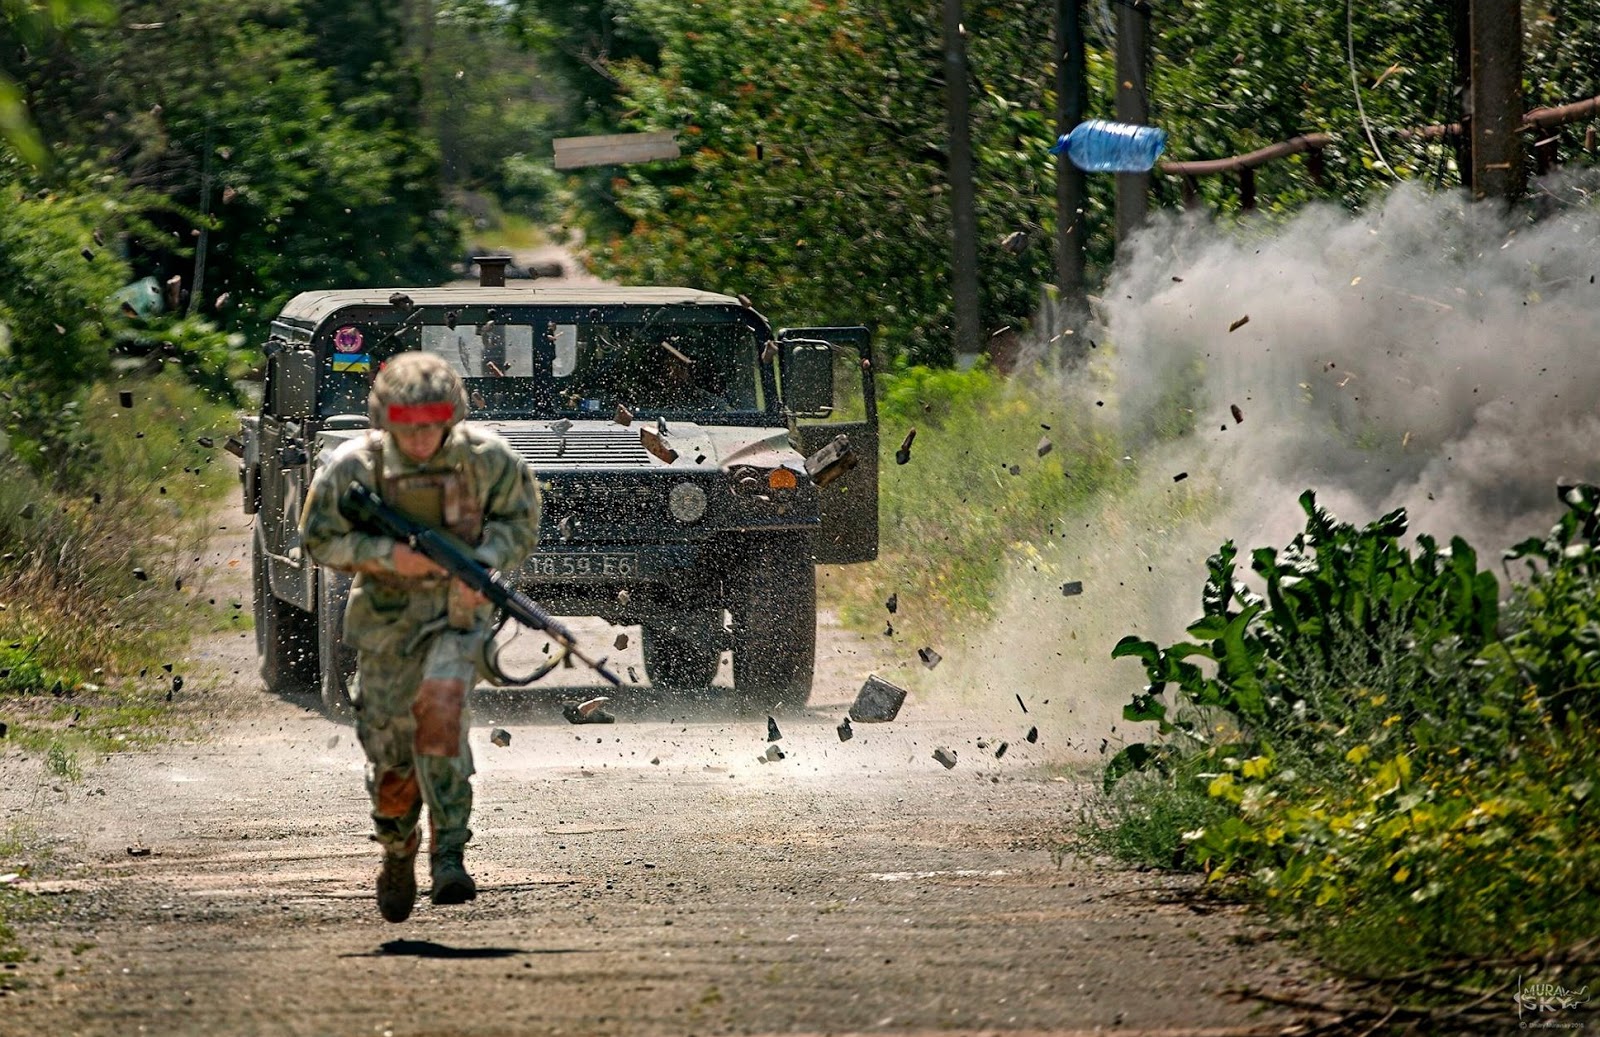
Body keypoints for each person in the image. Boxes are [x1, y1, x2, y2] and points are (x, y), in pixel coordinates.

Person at [298, 351, 540, 922]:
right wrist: (387, 556)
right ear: (385, 421)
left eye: (433, 425)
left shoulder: (488, 460)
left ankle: (450, 854)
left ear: (451, 416)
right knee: (390, 749)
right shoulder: (354, 467)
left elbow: (519, 522)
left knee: (440, 716)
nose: (422, 439)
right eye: (408, 427)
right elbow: (318, 538)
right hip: (385, 621)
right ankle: (397, 850)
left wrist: (483, 563)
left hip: (459, 618)